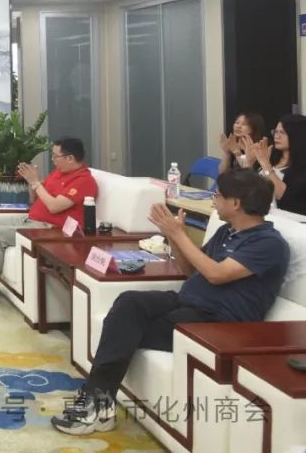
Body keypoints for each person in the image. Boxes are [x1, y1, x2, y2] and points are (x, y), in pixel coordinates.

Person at [52, 170, 289, 436]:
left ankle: (96, 404)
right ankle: (99, 402)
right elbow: (191, 271)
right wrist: (174, 237)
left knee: (124, 328)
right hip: (187, 301)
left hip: (218, 321)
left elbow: (216, 274)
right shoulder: (226, 232)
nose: (214, 201)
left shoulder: (269, 244)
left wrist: (180, 235)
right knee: (129, 302)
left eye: (218, 196)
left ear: (236, 203)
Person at [0, 137, 97, 309]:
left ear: (70, 158)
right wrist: (32, 183)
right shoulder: (59, 172)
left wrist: (35, 182)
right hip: (31, 218)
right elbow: (35, 198)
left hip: (50, 228)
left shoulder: (84, 181)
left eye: (55, 156)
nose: (52, 160)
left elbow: (54, 207)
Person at [251, 113, 306, 216]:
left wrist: (265, 164)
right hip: (260, 215)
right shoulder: (271, 156)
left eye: (282, 132)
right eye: (275, 131)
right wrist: (250, 163)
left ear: (297, 135)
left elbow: (284, 197)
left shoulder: (302, 167)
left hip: (288, 219)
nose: (277, 136)